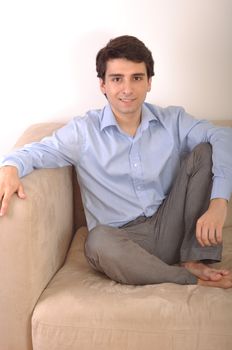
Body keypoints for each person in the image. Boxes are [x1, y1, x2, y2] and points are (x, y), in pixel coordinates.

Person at [0, 35, 232, 289]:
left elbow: (223, 136)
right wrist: (10, 167)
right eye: (117, 79)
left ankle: (193, 259)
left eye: (137, 78)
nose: (127, 89)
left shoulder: (172, 120)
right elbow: (39, 151)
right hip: (122, 239)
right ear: (103, 85)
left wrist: (219, 202)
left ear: (149, 82)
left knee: (205, 151)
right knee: (97, 242)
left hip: (169, 225)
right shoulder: (83, 132)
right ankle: (189, 279)